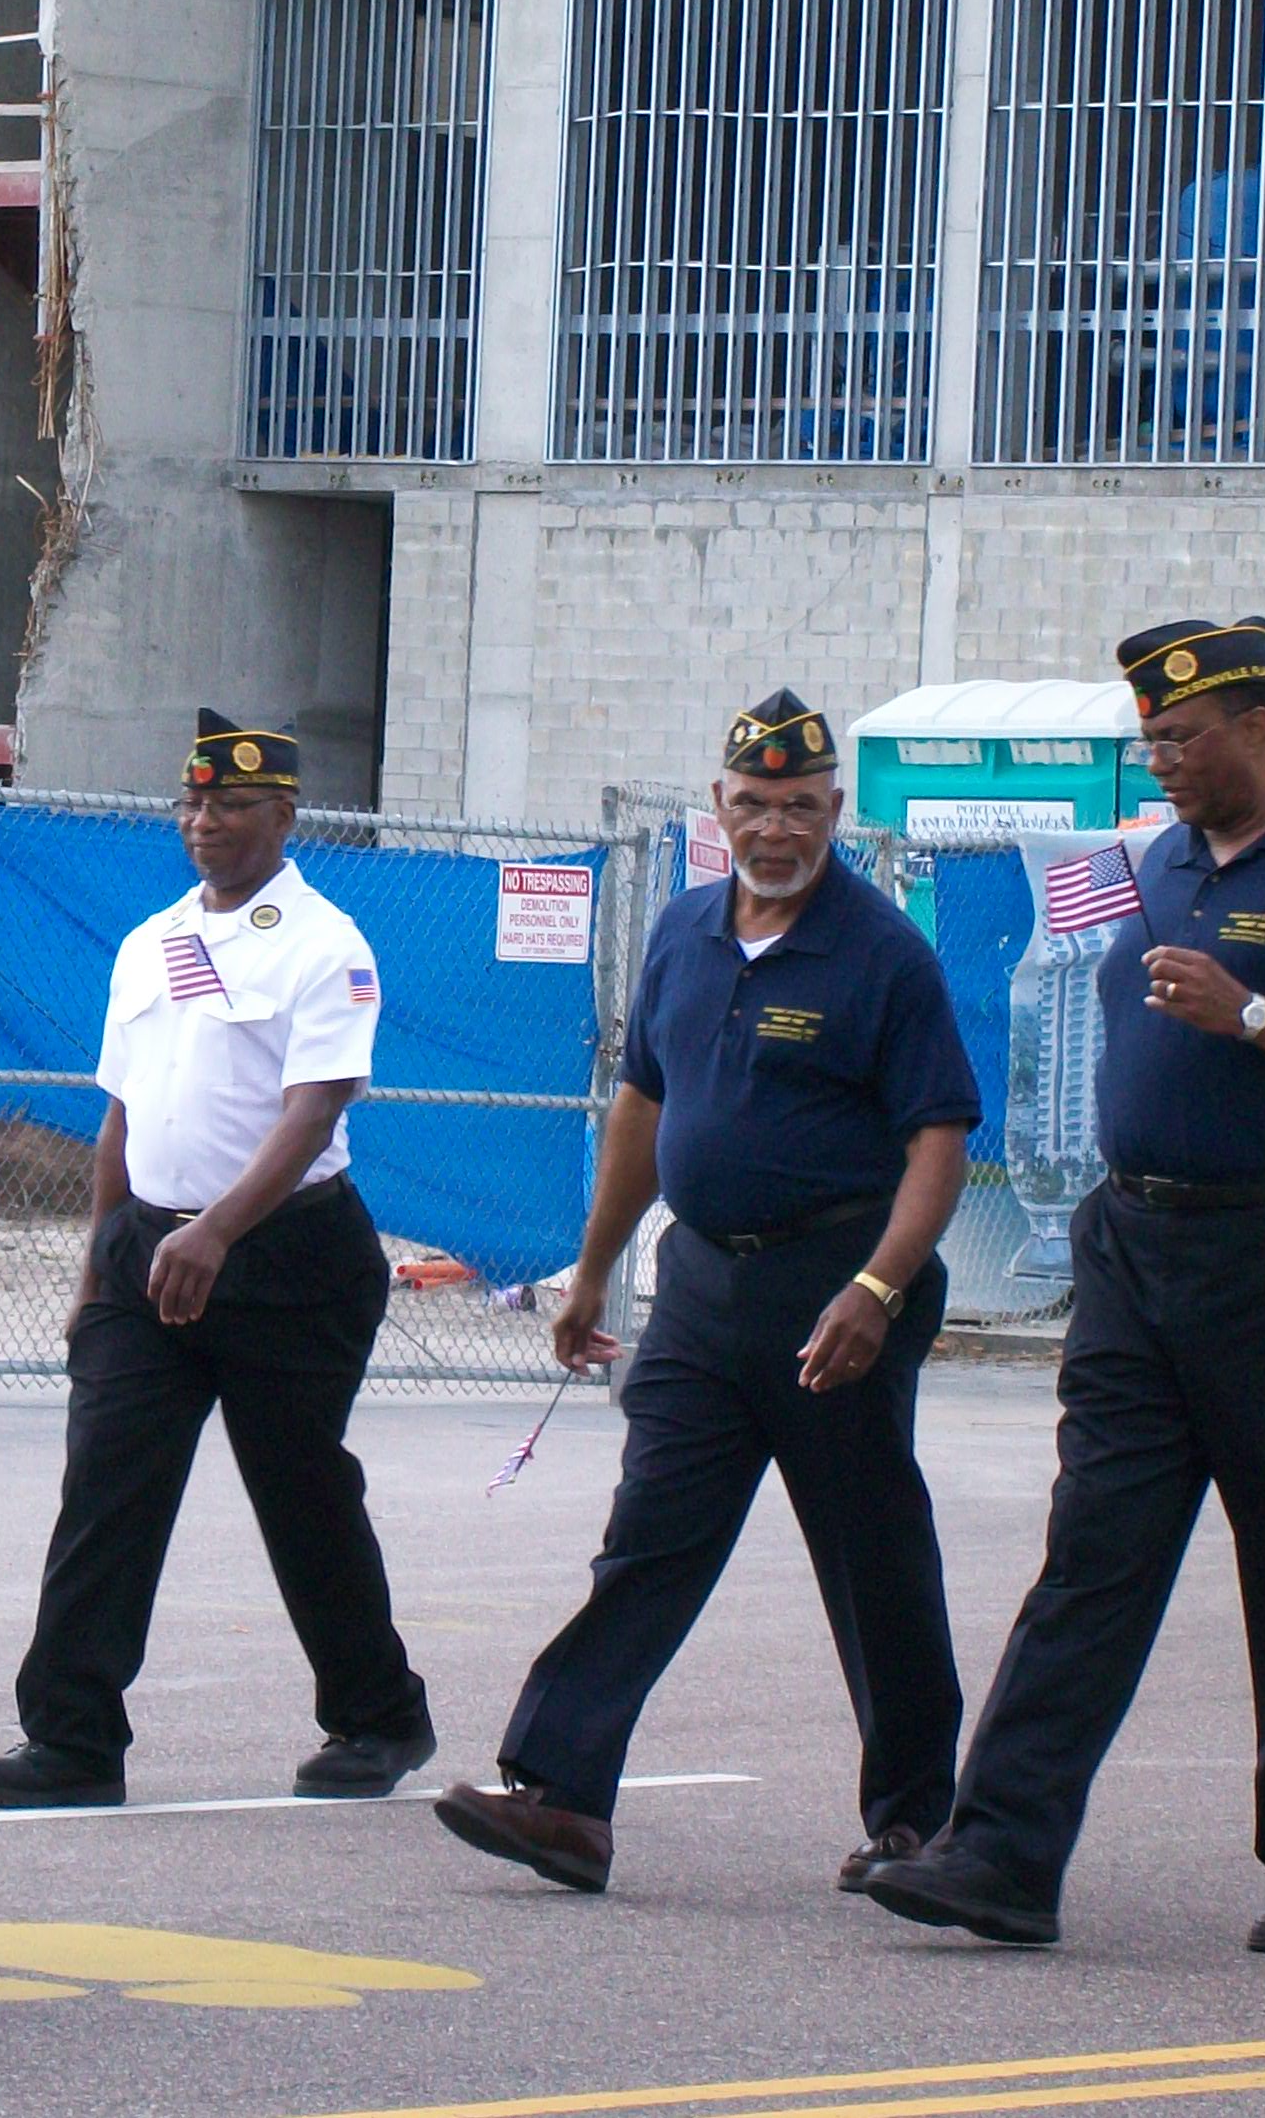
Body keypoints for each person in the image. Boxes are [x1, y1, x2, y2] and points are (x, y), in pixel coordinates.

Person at [865, 618, 1265, 1957]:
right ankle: (1001, 1855)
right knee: (1095, 1554)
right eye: (1151, 742)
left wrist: (1252, 1013)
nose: (1164, 763)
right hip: (1138, 1250)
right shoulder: (1163, 863)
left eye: (1182, 737)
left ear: (1255, 722)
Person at [436, 689, 976, 1900]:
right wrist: (591, 1269)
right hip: (699, 1287)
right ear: (717, 808)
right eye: (750, 805)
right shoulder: (682, 930)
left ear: (834, 811)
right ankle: (564, 1801)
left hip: (833, 1291)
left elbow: (938, 1140)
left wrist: (880, 1288)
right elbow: (643, 1105)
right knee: (649, 1539)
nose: (773, 829)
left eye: (797, 806)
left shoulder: (883, 955)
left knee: (868, 1553)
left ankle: (915, 1819)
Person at [0, 712, 437, 1813]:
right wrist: (95, 1271)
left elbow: (311, 1116)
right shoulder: (152, 941)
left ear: (283, 816)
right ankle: (71, 1739)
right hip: (148, 1252)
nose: (203, 824)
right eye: (191, 804)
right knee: (106, 1488)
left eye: (229, 806)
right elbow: (121, 1114)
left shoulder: (324, 943)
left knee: (300, 1491)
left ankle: (378, 1716)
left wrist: (217, 1230)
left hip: (284, 1256)